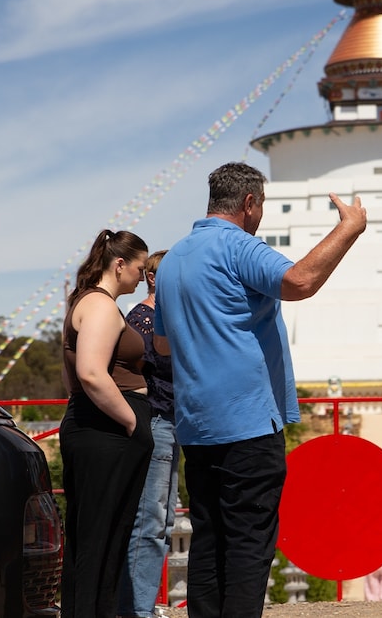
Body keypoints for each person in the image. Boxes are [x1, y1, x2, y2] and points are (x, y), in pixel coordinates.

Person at [153, 161, 366, 618]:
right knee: (250, 543)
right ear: (249, 203)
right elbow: (300, 281)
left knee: (209, 540)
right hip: (247, 421)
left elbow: (163, 343)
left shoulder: (173, 261)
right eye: (262, 205)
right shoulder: (237, 245)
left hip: (195, 424)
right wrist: (349, 228)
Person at [58, 229, 155, 618]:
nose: (142, 274)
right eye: (139, 267)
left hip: (96, 427)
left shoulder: (85, 302)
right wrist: (134, 423)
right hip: (108, 431)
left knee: (96, 538)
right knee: (102, 540)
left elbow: (72, 379)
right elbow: (90, 374)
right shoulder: (99, 306)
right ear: (119, 265)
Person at [118, 250, 176, 618]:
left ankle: (141, 605)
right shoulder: (143, 318)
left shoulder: (164, 318)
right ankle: (137, 608)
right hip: (156, 420)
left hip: (170, 421)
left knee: (162, 520)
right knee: (151, 520)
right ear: (154, 277)